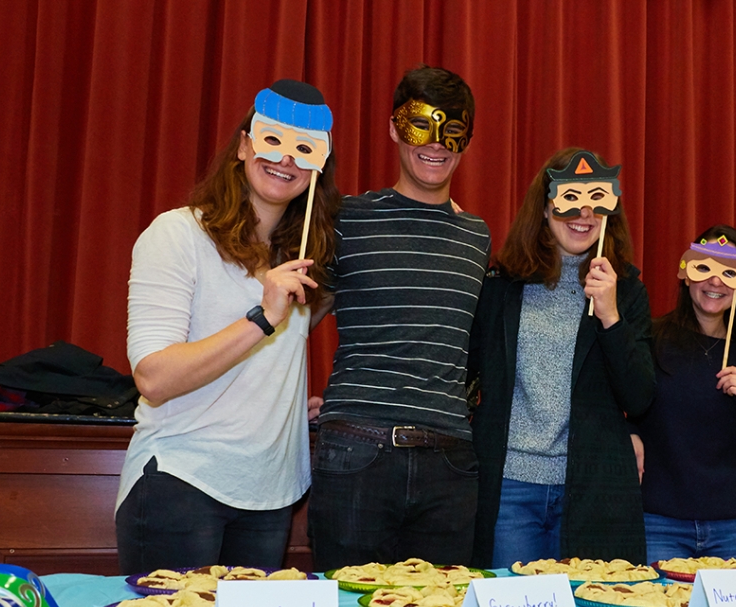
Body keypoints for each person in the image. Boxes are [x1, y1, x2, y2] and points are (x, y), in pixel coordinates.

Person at [116, 80, 339, 574]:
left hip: (270, 494)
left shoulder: (304, 258)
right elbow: (154, 377)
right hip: (182, 479)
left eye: (305, 150)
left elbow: (271, 360)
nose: (286, 159)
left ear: (319, 165)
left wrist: (282, 403)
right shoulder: (178, 235)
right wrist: (262, 317)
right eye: (272, 141)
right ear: (243, 146)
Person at [308, 65, 491, 571]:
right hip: (357, 450)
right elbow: (294, 321)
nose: (435, 144)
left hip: (450, 461)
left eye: (452, 130)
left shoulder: (477, 236)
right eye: (420, 126)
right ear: (394, 128)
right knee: (347, 605)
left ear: (467, 140)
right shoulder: (347, 219)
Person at [468, 147, 654, 568]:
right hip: (511, 488)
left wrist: (610, 317)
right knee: (514, 605)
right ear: (544, 206)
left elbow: (640, 396)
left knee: (588, 606)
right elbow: (468, 370)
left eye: (596, 201)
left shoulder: (627, 291)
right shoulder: (501, 286)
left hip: (590, 490)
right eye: (570, 198)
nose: (584, 213)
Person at [630, 227, 736, 565]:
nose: (715, 281)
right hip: (659, 525)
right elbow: (615, 401)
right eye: (705, 267)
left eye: (730, 272)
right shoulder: (651, 340)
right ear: (686, 273)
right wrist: (628, 431)